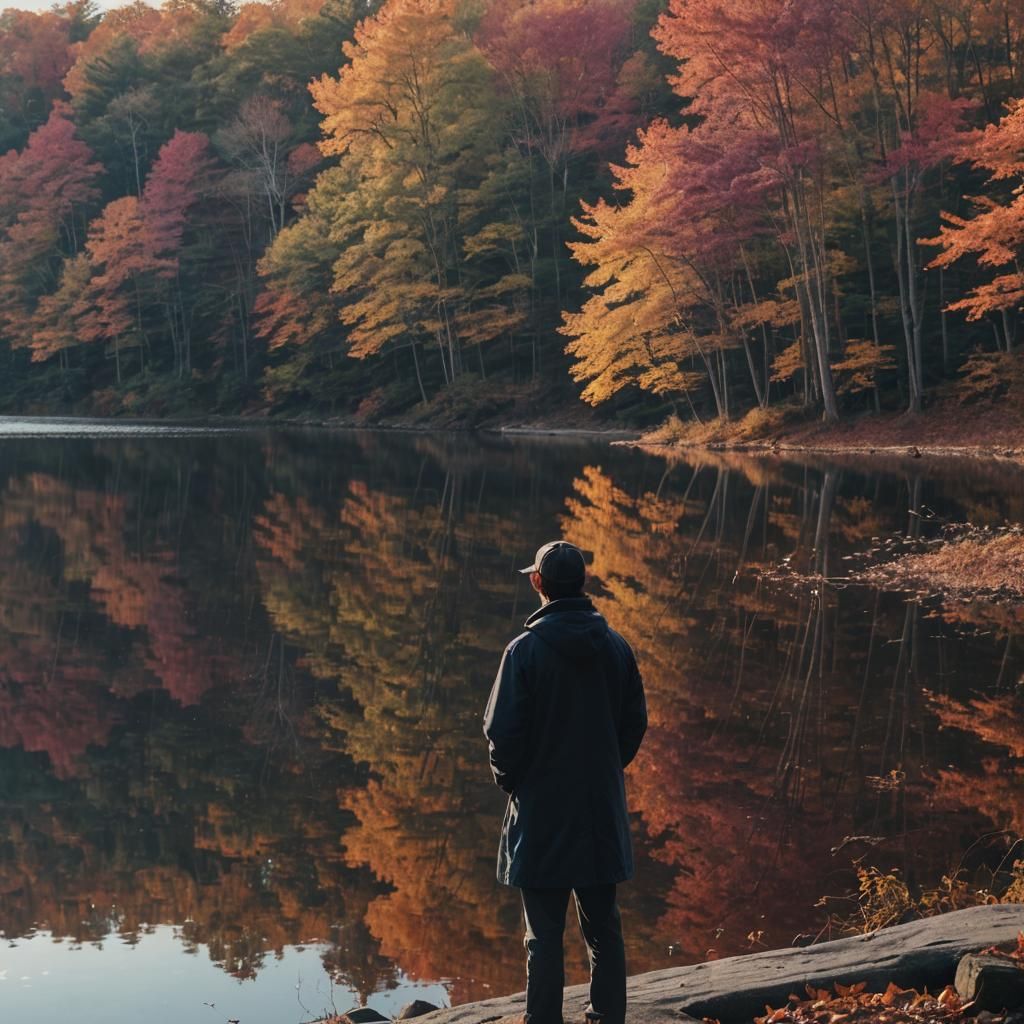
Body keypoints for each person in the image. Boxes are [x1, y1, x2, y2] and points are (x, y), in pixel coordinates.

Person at [483, 540, 647, 1024]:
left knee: (543, 936)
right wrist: (606, 770)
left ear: (538, 582)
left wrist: (515, 784)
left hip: (541, 815)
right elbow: (634, 723)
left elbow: (501, 733)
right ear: (584, 582)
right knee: (604, 930)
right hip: (599, 811)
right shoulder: (616, 647)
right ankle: (607, 1017)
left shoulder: (523, 652)